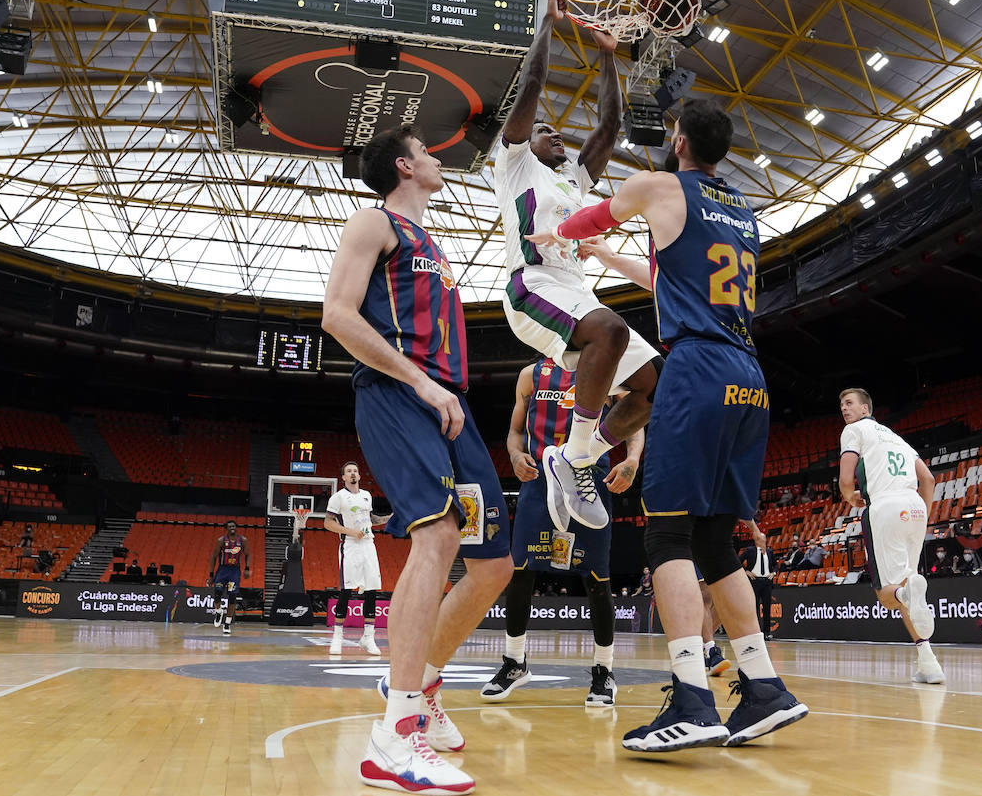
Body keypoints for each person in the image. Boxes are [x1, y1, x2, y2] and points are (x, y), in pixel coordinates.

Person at [531, 98, 807, 751]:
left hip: (698, 371)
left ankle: (692, 697)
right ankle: (764, 686)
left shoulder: (658, 185)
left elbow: (593, 213)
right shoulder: (742, 211)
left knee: (667, 535)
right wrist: (609, 257)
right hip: (749, 377)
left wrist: (559, 235)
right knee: (714, 543)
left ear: (678, 141)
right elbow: (669, 277)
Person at [322, 125, 515, 793]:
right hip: (399, 396)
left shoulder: (431, 241)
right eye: (426, 150)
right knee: (436, 536)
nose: (436, 158)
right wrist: (420, 382)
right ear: (405, 166)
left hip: (447, 403)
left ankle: (422, 681)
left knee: (494, 565)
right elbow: (337, 315)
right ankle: (394, 736)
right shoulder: (373, 223)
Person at [496, 0, 660, 533]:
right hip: (531, 286)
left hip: (574, 289)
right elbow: (532, 84)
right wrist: (547, 24)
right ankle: (575, 454)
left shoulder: (573, 178)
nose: (554, 132)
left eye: (556, 130)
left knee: (653, 386)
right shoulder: (514, 166)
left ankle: (575, 458)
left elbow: (610, 125)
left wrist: (608, 55)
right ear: (524, 141)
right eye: (544, 130)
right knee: (610, 330)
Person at [481, 357, 643, 706]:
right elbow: (515, 431)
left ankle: (604, 670)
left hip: (588, 481)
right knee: (521, 572)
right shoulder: (531, 374)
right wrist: (514, 455)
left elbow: (634, 421)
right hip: (539, 479)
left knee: (597, 578)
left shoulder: (606, 368)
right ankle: (514, 662)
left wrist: (631, 460)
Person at [838, 387, 943, 684]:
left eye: (849, 403)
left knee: (889, 595)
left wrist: (850, 496)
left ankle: (905, 596)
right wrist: (923, 517)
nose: (844, 409)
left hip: (885, 507)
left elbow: (845, 480)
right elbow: (928, 479)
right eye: (841, 405)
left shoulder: (854, 430)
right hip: (915, 507)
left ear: (865, 409)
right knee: (909, 584)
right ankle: (929, 663)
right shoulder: (897, 438)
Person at [325, 461, 390, 656]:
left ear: (359, 476)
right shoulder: (338, 497)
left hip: (368, 545)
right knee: (346, 590)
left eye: (355, 471)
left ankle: (368, 637)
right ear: (343, 477)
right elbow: (328, 523)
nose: (353, 473)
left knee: (371, 590)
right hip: (350, 545)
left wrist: (389, 518)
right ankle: (337, 637)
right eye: (349, 471)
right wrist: (350, 532)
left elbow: (371, 519)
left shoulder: (366, 495)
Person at [208, 521, 249, 636]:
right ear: (226, 528)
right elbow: (213, 557)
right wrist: (211, 575)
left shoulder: (243, 540)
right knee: (217, 594)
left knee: (232, 597)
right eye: (230, 526)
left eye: (234, 526)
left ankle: (227, 624)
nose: (232, 528)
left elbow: (248, 554)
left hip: (234, 572)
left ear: (236, 527)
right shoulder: (221, 540)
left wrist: (247, 568)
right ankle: (219, 612)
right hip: (222, 570)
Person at [740, 521, 776, 638]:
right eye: (759, 539)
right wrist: (746, 571)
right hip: (754, 582)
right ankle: (756, 633)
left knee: (767, 608)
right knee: (754, 607)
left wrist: (773, 573)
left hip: (766, 582)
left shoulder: (770, 552)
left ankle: (767, 632)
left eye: (763, 539)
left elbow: (775, 565)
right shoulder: (750, 550)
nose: (762, 541)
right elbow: (738, 561)